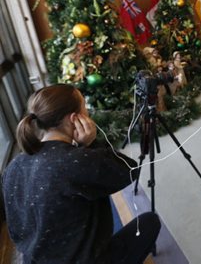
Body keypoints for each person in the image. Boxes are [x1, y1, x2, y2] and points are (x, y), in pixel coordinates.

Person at [1, 84, 161, 263]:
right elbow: (128, 170)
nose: (88, 112)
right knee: (150, 222)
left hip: (35, 260)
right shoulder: (76, 162)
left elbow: (15, 229)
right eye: (85, 106)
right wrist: (92, 144)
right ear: (75, 119)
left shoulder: (13, 166)